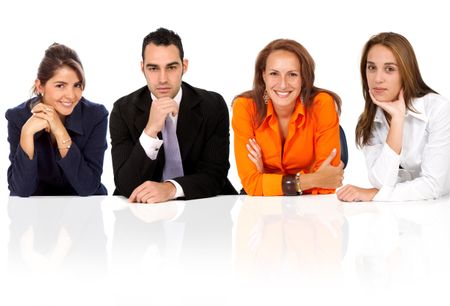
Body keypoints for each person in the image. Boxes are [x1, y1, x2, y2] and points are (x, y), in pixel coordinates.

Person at [110, 27, 236, 203]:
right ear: (142, 68)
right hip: (144, 213)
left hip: (202, 206)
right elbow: (125, 185)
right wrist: (150, 131)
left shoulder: (212, 105)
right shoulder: (123, 110)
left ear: (184, 66)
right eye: (153, 68)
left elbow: (215, 175)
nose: (162, 79)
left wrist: (170, 188)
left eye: (171, 67)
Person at [337, 32, 450, 202]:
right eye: (371, 67)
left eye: (389, 69)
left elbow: (435, 185)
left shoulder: (438, 109)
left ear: (406, 72)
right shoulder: (369, 120)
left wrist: (375, 194)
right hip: (402, 213)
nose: (377, 79)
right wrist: (397, 121)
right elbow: (381, 181)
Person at [232, 39, 344, 196]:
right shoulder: (245, 107)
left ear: (303, 78)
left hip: (311, 211)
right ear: (263, 75)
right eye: (274, 74)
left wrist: (267, 179)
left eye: (292, 74)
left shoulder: (322, 104)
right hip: (262, 211)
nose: (283, 84)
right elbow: (252, 185)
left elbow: (327, 185)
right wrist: (313, 179)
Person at [6, 43, 108, 196]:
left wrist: (60, 131)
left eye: (77, 85)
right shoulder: (17, 117)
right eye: (60, 85)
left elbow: (88, 187)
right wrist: (26, 133)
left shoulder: (96, 116)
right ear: (40, 86)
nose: (71, 95)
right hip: (36, 213)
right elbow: (21, 190)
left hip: (84, 212)